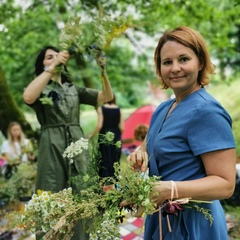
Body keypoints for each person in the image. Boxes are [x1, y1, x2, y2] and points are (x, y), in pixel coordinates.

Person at [122, 26, 236, 240]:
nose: (175, 68)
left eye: (183, 59)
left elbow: (226, 184)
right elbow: (149, 146)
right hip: (162, 218)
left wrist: (170, 189)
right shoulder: (163, 109)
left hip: (195, 223)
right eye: (167, 62)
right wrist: (140, 154)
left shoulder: (207, 111)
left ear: (200, 62)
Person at [22, 46, 113, 240]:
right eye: (49, 57)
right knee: (51, 189)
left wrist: (103, 72)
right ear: (42, 65)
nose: (55, 58)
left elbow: (106, 97)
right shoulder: (40, 87)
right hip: (51, 143)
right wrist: (53, 66)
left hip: (76, 142)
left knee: (81, 189)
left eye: (57, 55)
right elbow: (28, 97)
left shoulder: (74, 88)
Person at [89, 94, 124, 179]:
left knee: (104, 158)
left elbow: (99, 125)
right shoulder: (119, 110)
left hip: (104, 135)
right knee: (115, 159)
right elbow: (122, 127)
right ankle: (115, 180)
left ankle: (103, 181)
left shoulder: (101, 108)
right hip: (116, 136)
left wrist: (91, 135)